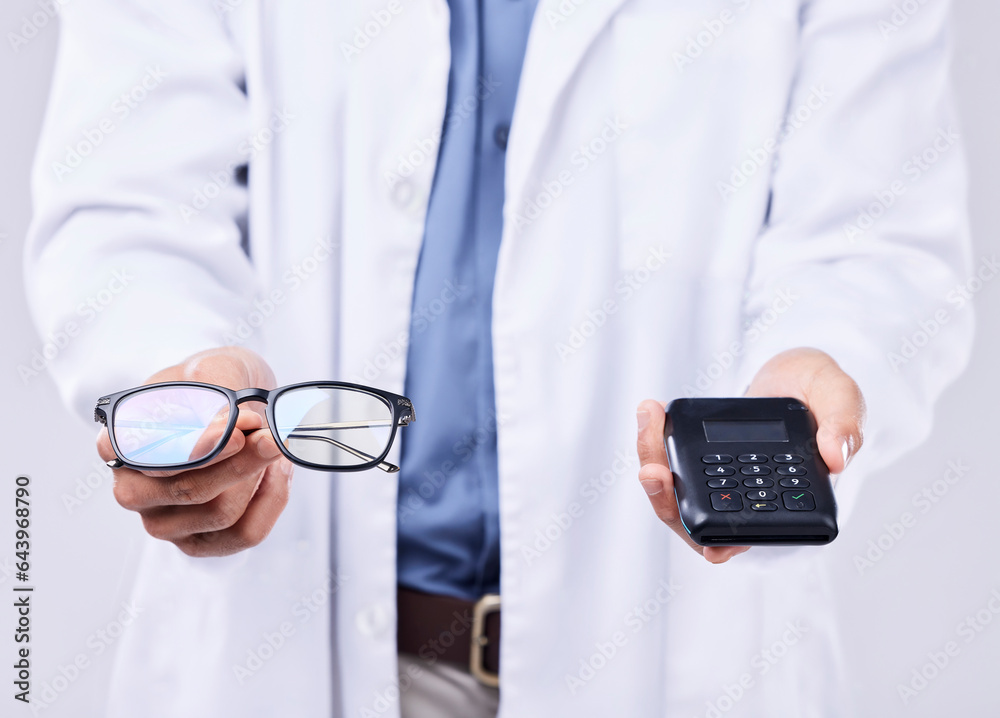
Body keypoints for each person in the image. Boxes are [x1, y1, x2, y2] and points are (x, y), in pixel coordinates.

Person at [25, 0, 972, 716]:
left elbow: (875, 239)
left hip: (678, 657)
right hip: (286, 647)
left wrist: (816, 368)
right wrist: (186, 386)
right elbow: (128, 209)